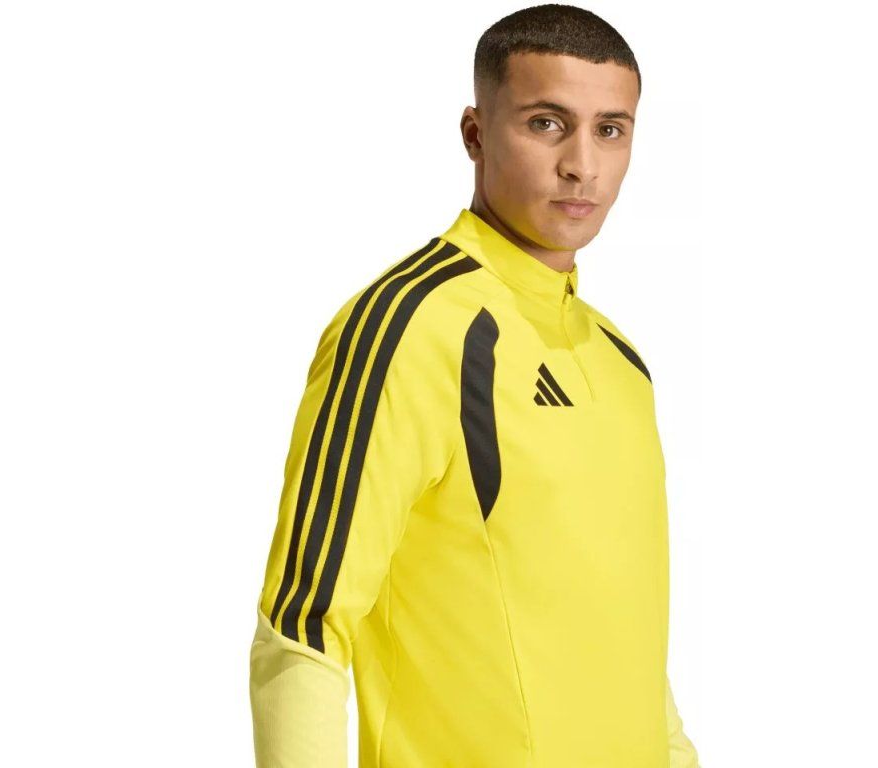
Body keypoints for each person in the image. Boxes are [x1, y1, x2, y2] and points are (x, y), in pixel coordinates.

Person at [249, 4, 701, 766]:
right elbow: (304, 632)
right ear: (475, 132)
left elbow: (631, 649)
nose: (582, 165)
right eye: (547, 123)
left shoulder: (620, 361)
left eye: (610, 130)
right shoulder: (408, 327)